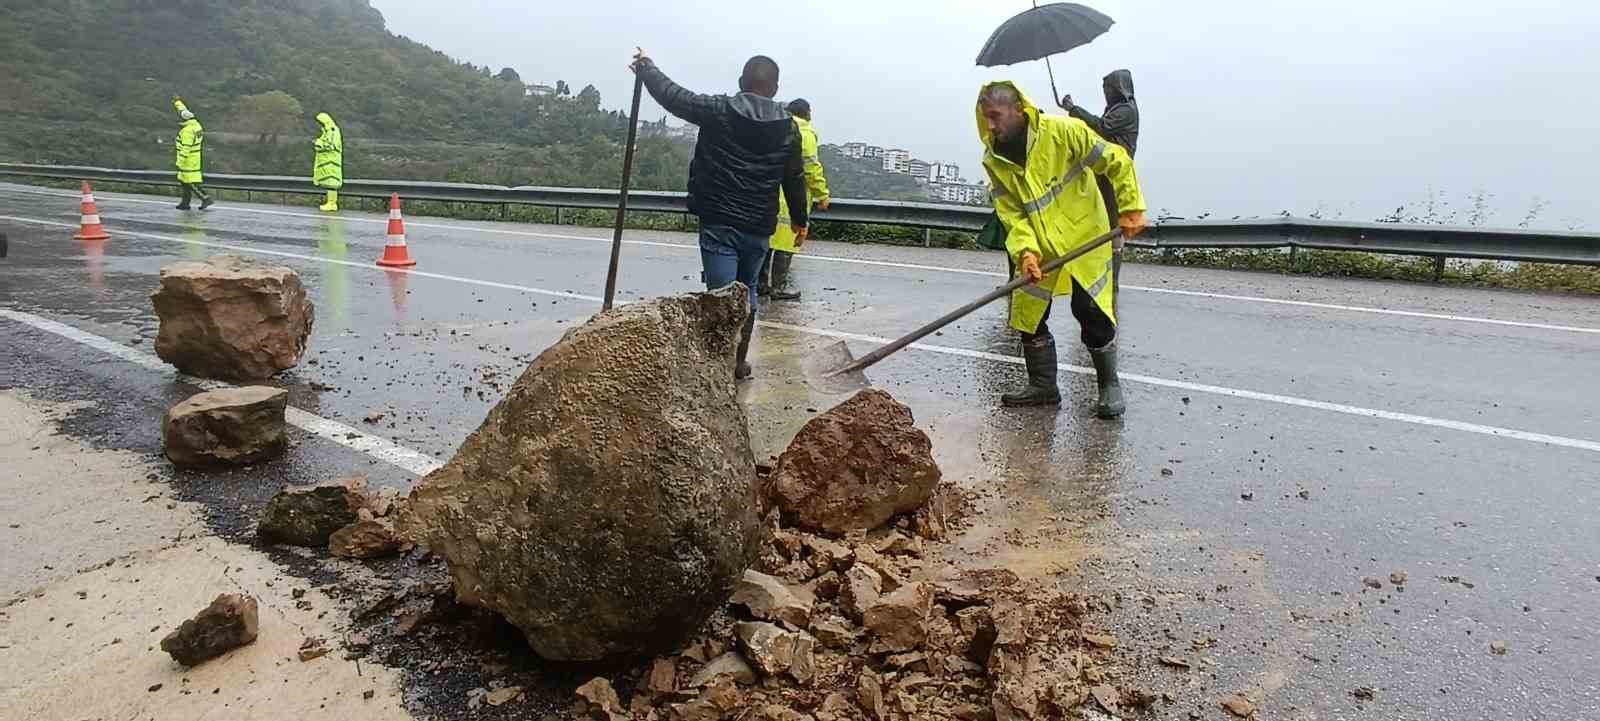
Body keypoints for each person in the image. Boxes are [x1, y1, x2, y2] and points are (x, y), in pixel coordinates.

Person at [630, 49, 810, 380]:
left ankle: (717, 365)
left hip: (720, 222)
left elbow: (674, 97)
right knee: (748, 292)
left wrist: (646, 68)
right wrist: (800, 220)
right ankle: (737, 363)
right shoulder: (788, 129)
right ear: (775, 88)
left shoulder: (719, 110)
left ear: (742, 83)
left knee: (721, 296)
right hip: (758, 226)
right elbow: (794, 179)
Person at [977, 81, 1147, 418]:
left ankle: (1109, 385)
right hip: (1040, 244)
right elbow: (1011, 211)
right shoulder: (994, 158)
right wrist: (1025, 251)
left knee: (1090, 310)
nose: (991, 125)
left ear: (1019, 111)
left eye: (996, 116)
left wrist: (1131, 207)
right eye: (986, 118)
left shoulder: (1065, 132)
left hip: (1084, 235)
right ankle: (1043, 386)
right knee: (1028, 313)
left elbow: (1116, 160)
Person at [760, 98, 830, 301]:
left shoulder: (773, 129)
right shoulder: (806, 135)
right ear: (808, 113)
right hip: (790, 197)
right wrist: (822, 194)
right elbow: (810, 168)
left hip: (768, 193)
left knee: (767, 241)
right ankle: (779, 287)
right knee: (787, 242)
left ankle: (761, 285)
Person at [1060, 69, 1139, 228]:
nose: (1106, 93)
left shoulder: (1126, 110)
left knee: (1112, 212)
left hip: (1116, 167)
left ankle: (1116, 249)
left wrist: (1074, 109)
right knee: (1102, 208)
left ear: (1119, 88)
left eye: (1108, 89)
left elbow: (1101, 127)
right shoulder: (1113, 109)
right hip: (1105, 165)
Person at [172, 97, 211, 210]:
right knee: (185, 182)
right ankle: (185, 203)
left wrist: (180, 161)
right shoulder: (196, 125)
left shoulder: (187, 131)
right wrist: (177, 102)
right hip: (194, 157)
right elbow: (184, 111)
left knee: (190, 182)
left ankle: (205, 198)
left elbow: (186, 147)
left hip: (187, 159)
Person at [313, 112, 343, 212]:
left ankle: (332, 203)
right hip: (327, 161)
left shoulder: (333, 131)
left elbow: (331, 145)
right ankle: (330, 202)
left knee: (332, 182)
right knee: (329, 182)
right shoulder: (327, 131)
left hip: (331, 161)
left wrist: (319, 143)